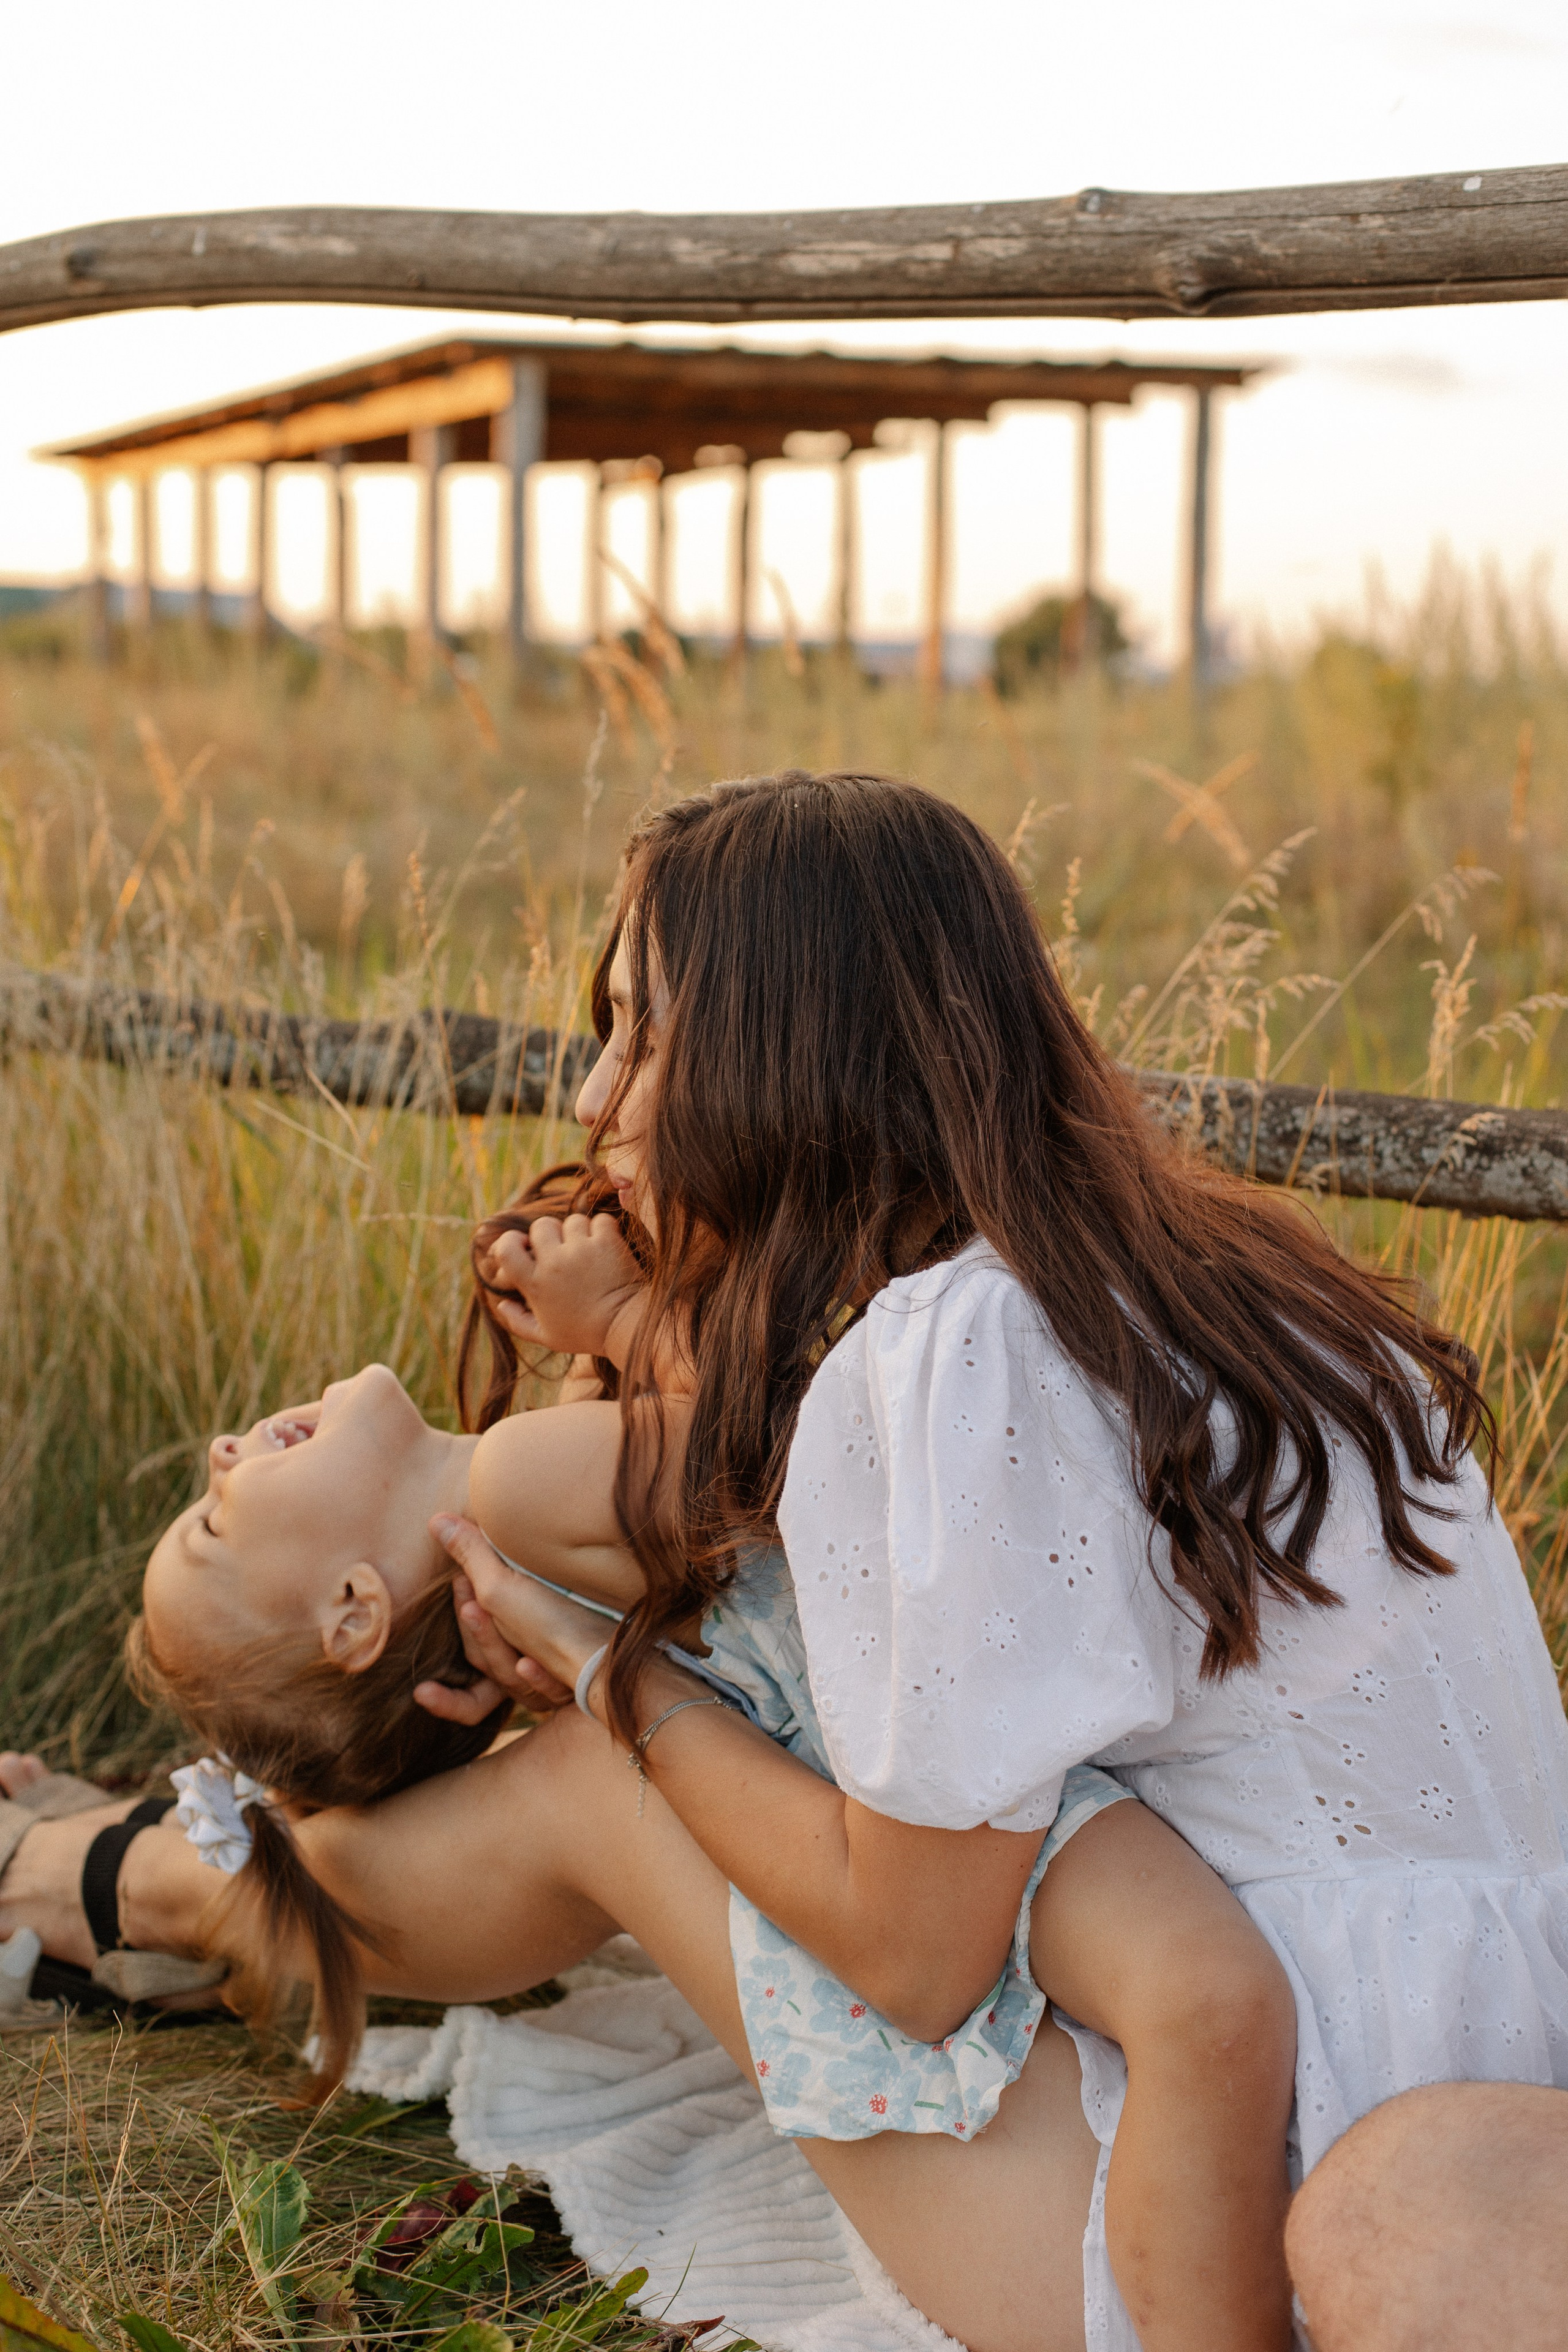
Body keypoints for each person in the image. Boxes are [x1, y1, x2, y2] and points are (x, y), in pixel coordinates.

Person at [4, 767, 1566, 2352]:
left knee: (603, 1776)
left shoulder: (966, 1350)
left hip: (1257, 2171)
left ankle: (137, 1890)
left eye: (644, 1035)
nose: (596, 1100)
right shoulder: (1235, 1283)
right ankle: (144, 1878)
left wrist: (612, 1675)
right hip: (1460, 2049)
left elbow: (920, 1956)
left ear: (790, 1055)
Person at [127, 1187, 1297, 2352]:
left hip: (903, 1800)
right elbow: (787, 1458)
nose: (221, 1452)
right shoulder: (511, 1482)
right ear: (349, 1613)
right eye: (215, 1522)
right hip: (948, 1786)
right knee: (1197, 1989)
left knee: (1192, 1994)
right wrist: (623, 1315)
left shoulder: (520, 1524)